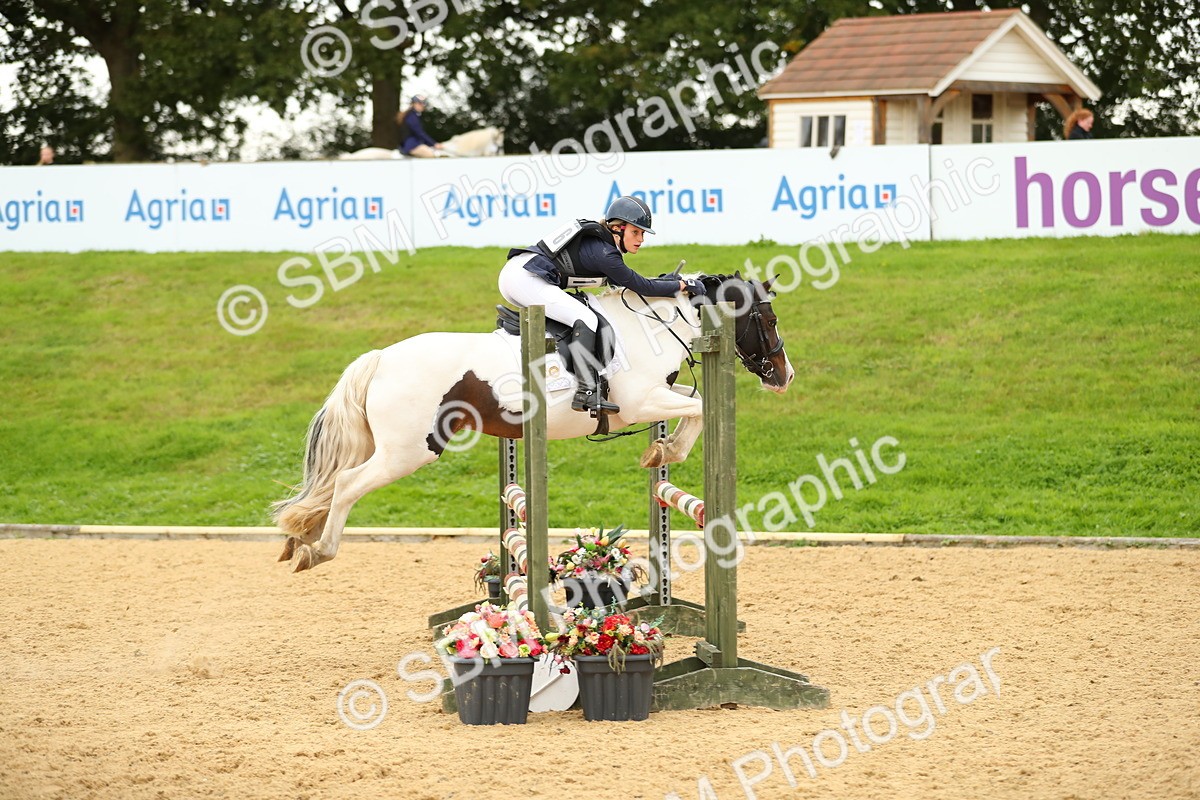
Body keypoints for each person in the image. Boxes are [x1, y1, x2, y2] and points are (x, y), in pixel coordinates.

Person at [499, 195, 706, 416]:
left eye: (643, 233)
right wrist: (682, 284)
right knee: (586, 318)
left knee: (579, 315)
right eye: (636, 232)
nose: (641, 239)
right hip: (525, 278)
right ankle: (586, 390)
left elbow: (630, 283)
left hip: (522, 275)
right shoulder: (605, 253)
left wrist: (668, 283)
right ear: (617, 228)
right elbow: (639, 285)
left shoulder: (603, 247)